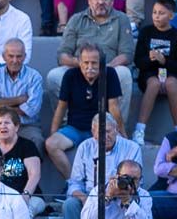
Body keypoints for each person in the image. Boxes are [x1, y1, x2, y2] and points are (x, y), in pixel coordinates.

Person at [46, 0, 135, 120]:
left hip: (108, 70)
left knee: (124, 74)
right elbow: (62, 55)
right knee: (54, 76)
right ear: (89, 0)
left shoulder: (122, 19)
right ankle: (67, 124)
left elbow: (126, 55)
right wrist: (83, 65)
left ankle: (115, 127)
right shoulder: (76, 19)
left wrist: (104, 68)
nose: (100, 2)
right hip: (79, 70)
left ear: (112, 1)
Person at [58, 116, 142, 219]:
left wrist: (117, 193)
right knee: (70, 205)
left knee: (138, 204)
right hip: (90, 196)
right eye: (101, 132)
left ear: (116, 130)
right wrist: (85, 198)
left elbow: (137, 182)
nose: (106, 136)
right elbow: (74, 183)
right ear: (93, 132)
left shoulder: (131, 148)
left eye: (109, 131)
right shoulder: (85, 147)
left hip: (121, 196)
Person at [45, 44, 124, 179]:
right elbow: (61, 107)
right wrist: (53, 133)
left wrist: (122, 133)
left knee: (119, 146)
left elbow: (114, 108)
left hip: (101, 128)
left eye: (94, 63)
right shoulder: (70, 75)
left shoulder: (109, 74)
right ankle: (73, 182)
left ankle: (101, 185)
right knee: (51, 144)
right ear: (79, 62)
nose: (89, 67)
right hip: (75, 128)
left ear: (101, 63)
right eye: (86, 62)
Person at [131, 0, 177, 145]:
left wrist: (165, 61)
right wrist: (150, 59)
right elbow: (138, 61)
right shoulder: (146, 32)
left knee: (171, 84)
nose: (156, 16)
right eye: (154, 12)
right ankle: (139, 129)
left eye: (161, 13)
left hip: (171, 74)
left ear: (171, 16)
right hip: (149, 74)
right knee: (154, 84)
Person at [0, 38, 45, 152]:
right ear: (3, 56)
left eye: (19, 56)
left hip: (26, 126)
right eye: (11, 56)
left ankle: (33, 170)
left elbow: (31, 109)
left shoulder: (34, 77)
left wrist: (1, 105)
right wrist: (20, 99)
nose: (15, 60)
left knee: (36, 139)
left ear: (24, 56)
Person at [0, 107, 45, 216]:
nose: (3, 126)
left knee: (23, 212)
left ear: (16, 127)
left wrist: (24, 196)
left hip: (30, 197)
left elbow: (34, 174)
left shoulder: (27, 146)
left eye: (7, 123)